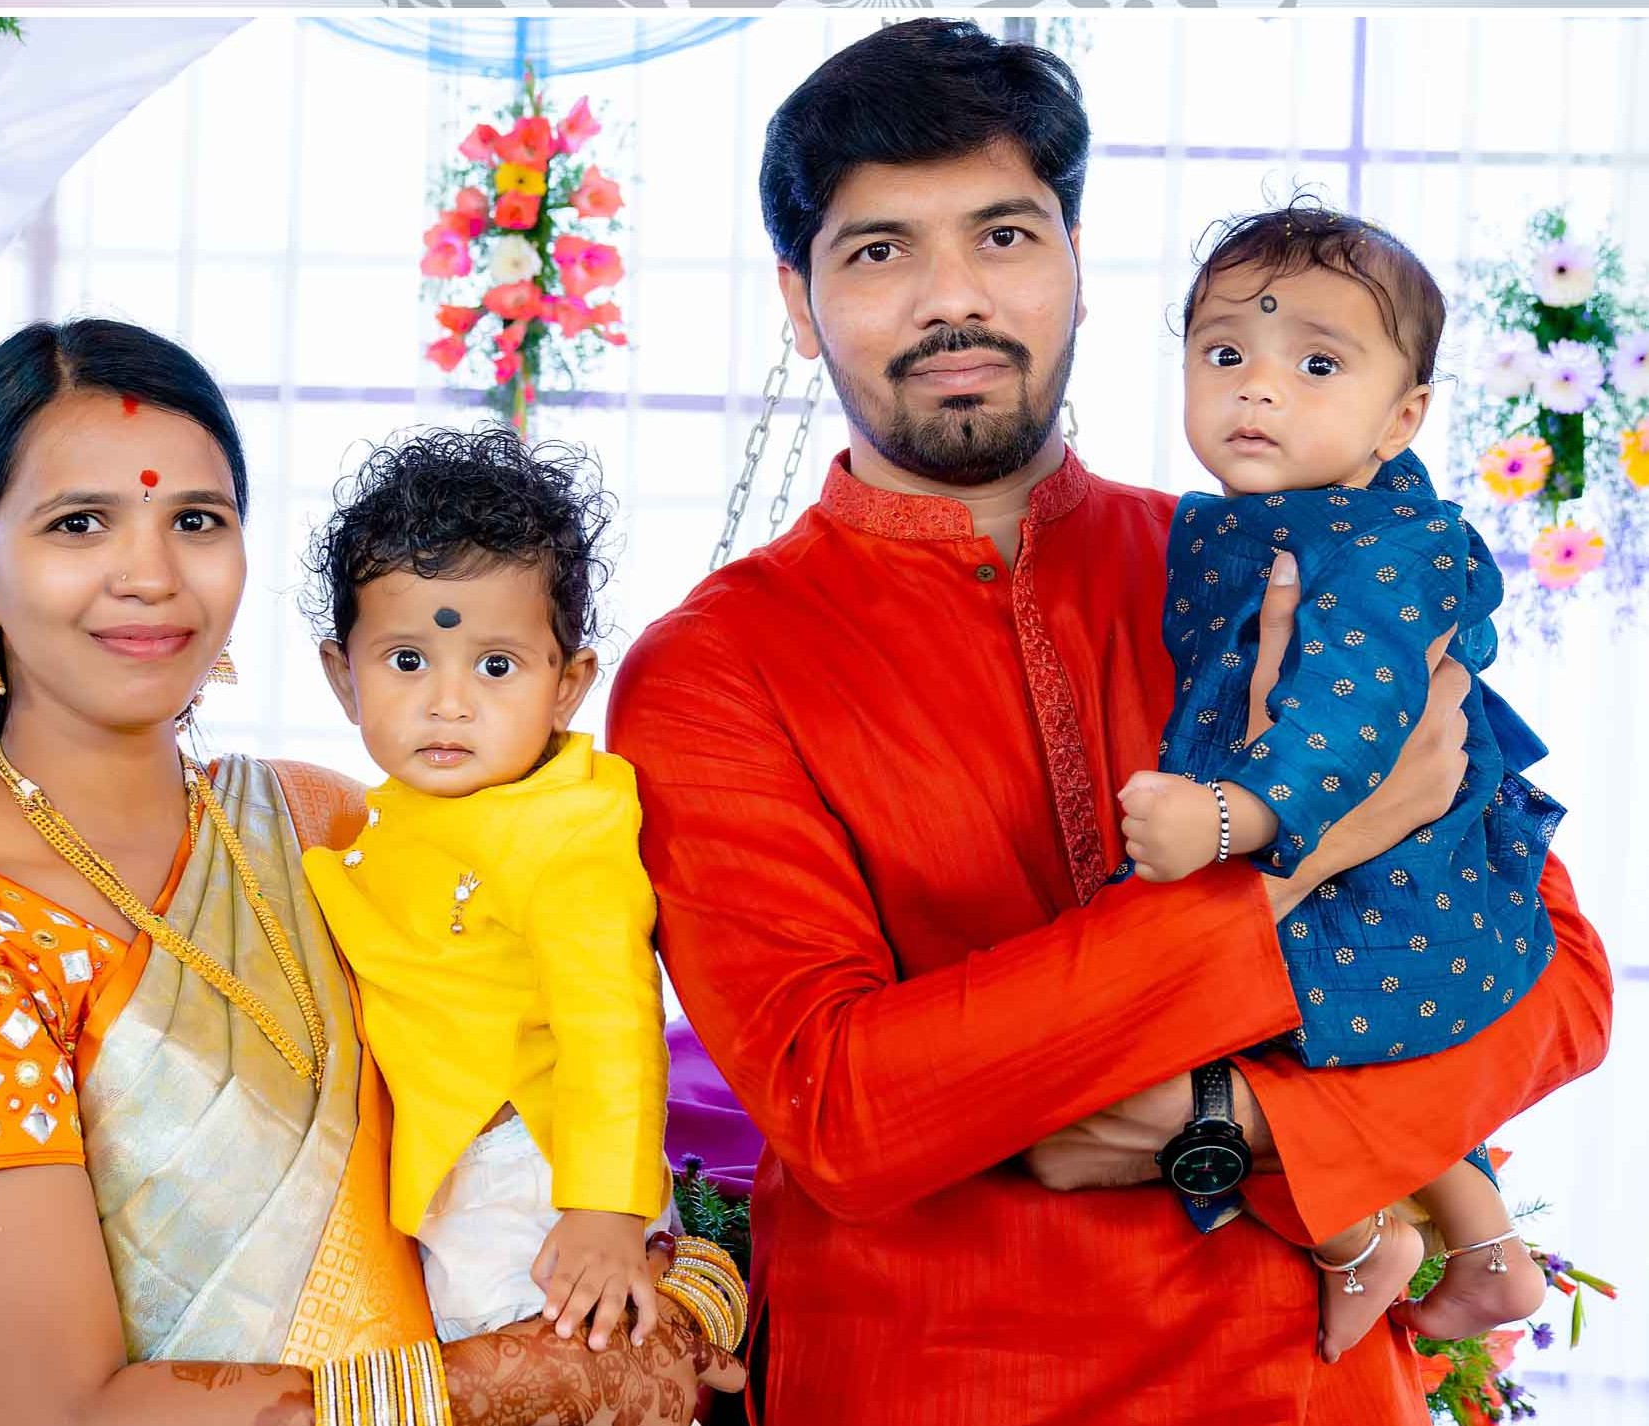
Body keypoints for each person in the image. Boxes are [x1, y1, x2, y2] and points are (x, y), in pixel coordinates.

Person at [603, 20, 1612, 1425]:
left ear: (1074, 262)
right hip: (934, 1382)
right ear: (796, 297)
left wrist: (1230, 1121)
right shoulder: (713, 668)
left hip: (1308, 1387)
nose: (953, 298)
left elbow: (1553, 981)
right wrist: (1301, 866)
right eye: (879, 251)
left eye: (1003, 235)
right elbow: (841, 1111)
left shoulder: (1286, 565)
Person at [0, 318, 746, 1426]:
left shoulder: (321, 822)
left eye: (194, 519)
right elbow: (49, 1412)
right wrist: (538, 1378)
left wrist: (684, 1281)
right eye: (79, 523)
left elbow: (534, 1083)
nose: (148, 573)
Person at [1116, 204, 1559, 1360]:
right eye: (1225, 355)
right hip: (1381, 858)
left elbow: (1355, 713)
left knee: (1211, 1026)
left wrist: (1234, 813)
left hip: (1391, 879)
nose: (1258, 389)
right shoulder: (1288, 514)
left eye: (1316, 364)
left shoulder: (1377, 543)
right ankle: (1487, 1246)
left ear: (1402, 416)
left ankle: (1363, 1237)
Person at [299, 427, 680, 1351]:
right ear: (341, 678)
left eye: (496, 666)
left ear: (568, 684)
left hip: (540, 1177)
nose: (448, 703)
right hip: (454, 1163)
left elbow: (610, 1025)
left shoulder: (566, 830)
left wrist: (605, 1208)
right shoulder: (386, 813)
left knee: (537, 1382)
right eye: (405, 662)